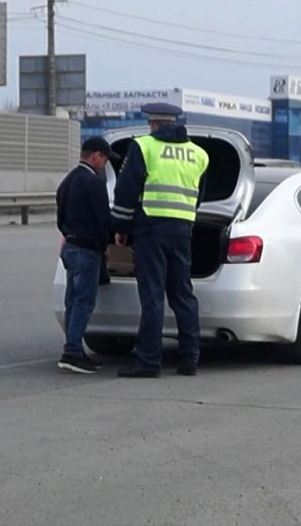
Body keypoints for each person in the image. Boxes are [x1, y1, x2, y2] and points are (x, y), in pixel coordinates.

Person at [112, 103, 210, 378]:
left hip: (150, 228)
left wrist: (121, 226)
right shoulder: (199, 154)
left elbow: (126, 191)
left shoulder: (144, 147)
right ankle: (190, 360)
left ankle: (148, 362)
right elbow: (198, 195)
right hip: (182, 230)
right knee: (183, 295)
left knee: (153, 296)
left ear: (153, 124)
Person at [55, 136, 119, 374]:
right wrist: (116, 236)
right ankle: (72, 352)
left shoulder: (68, 180)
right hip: (87, 250)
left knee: (72, 301)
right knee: (83, 302)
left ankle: (74, 349)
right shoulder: (93, 183)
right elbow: (104, 219)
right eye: (104, 159)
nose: (104, 165)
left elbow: (60, 217)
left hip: (69, 246)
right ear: (96, 156)